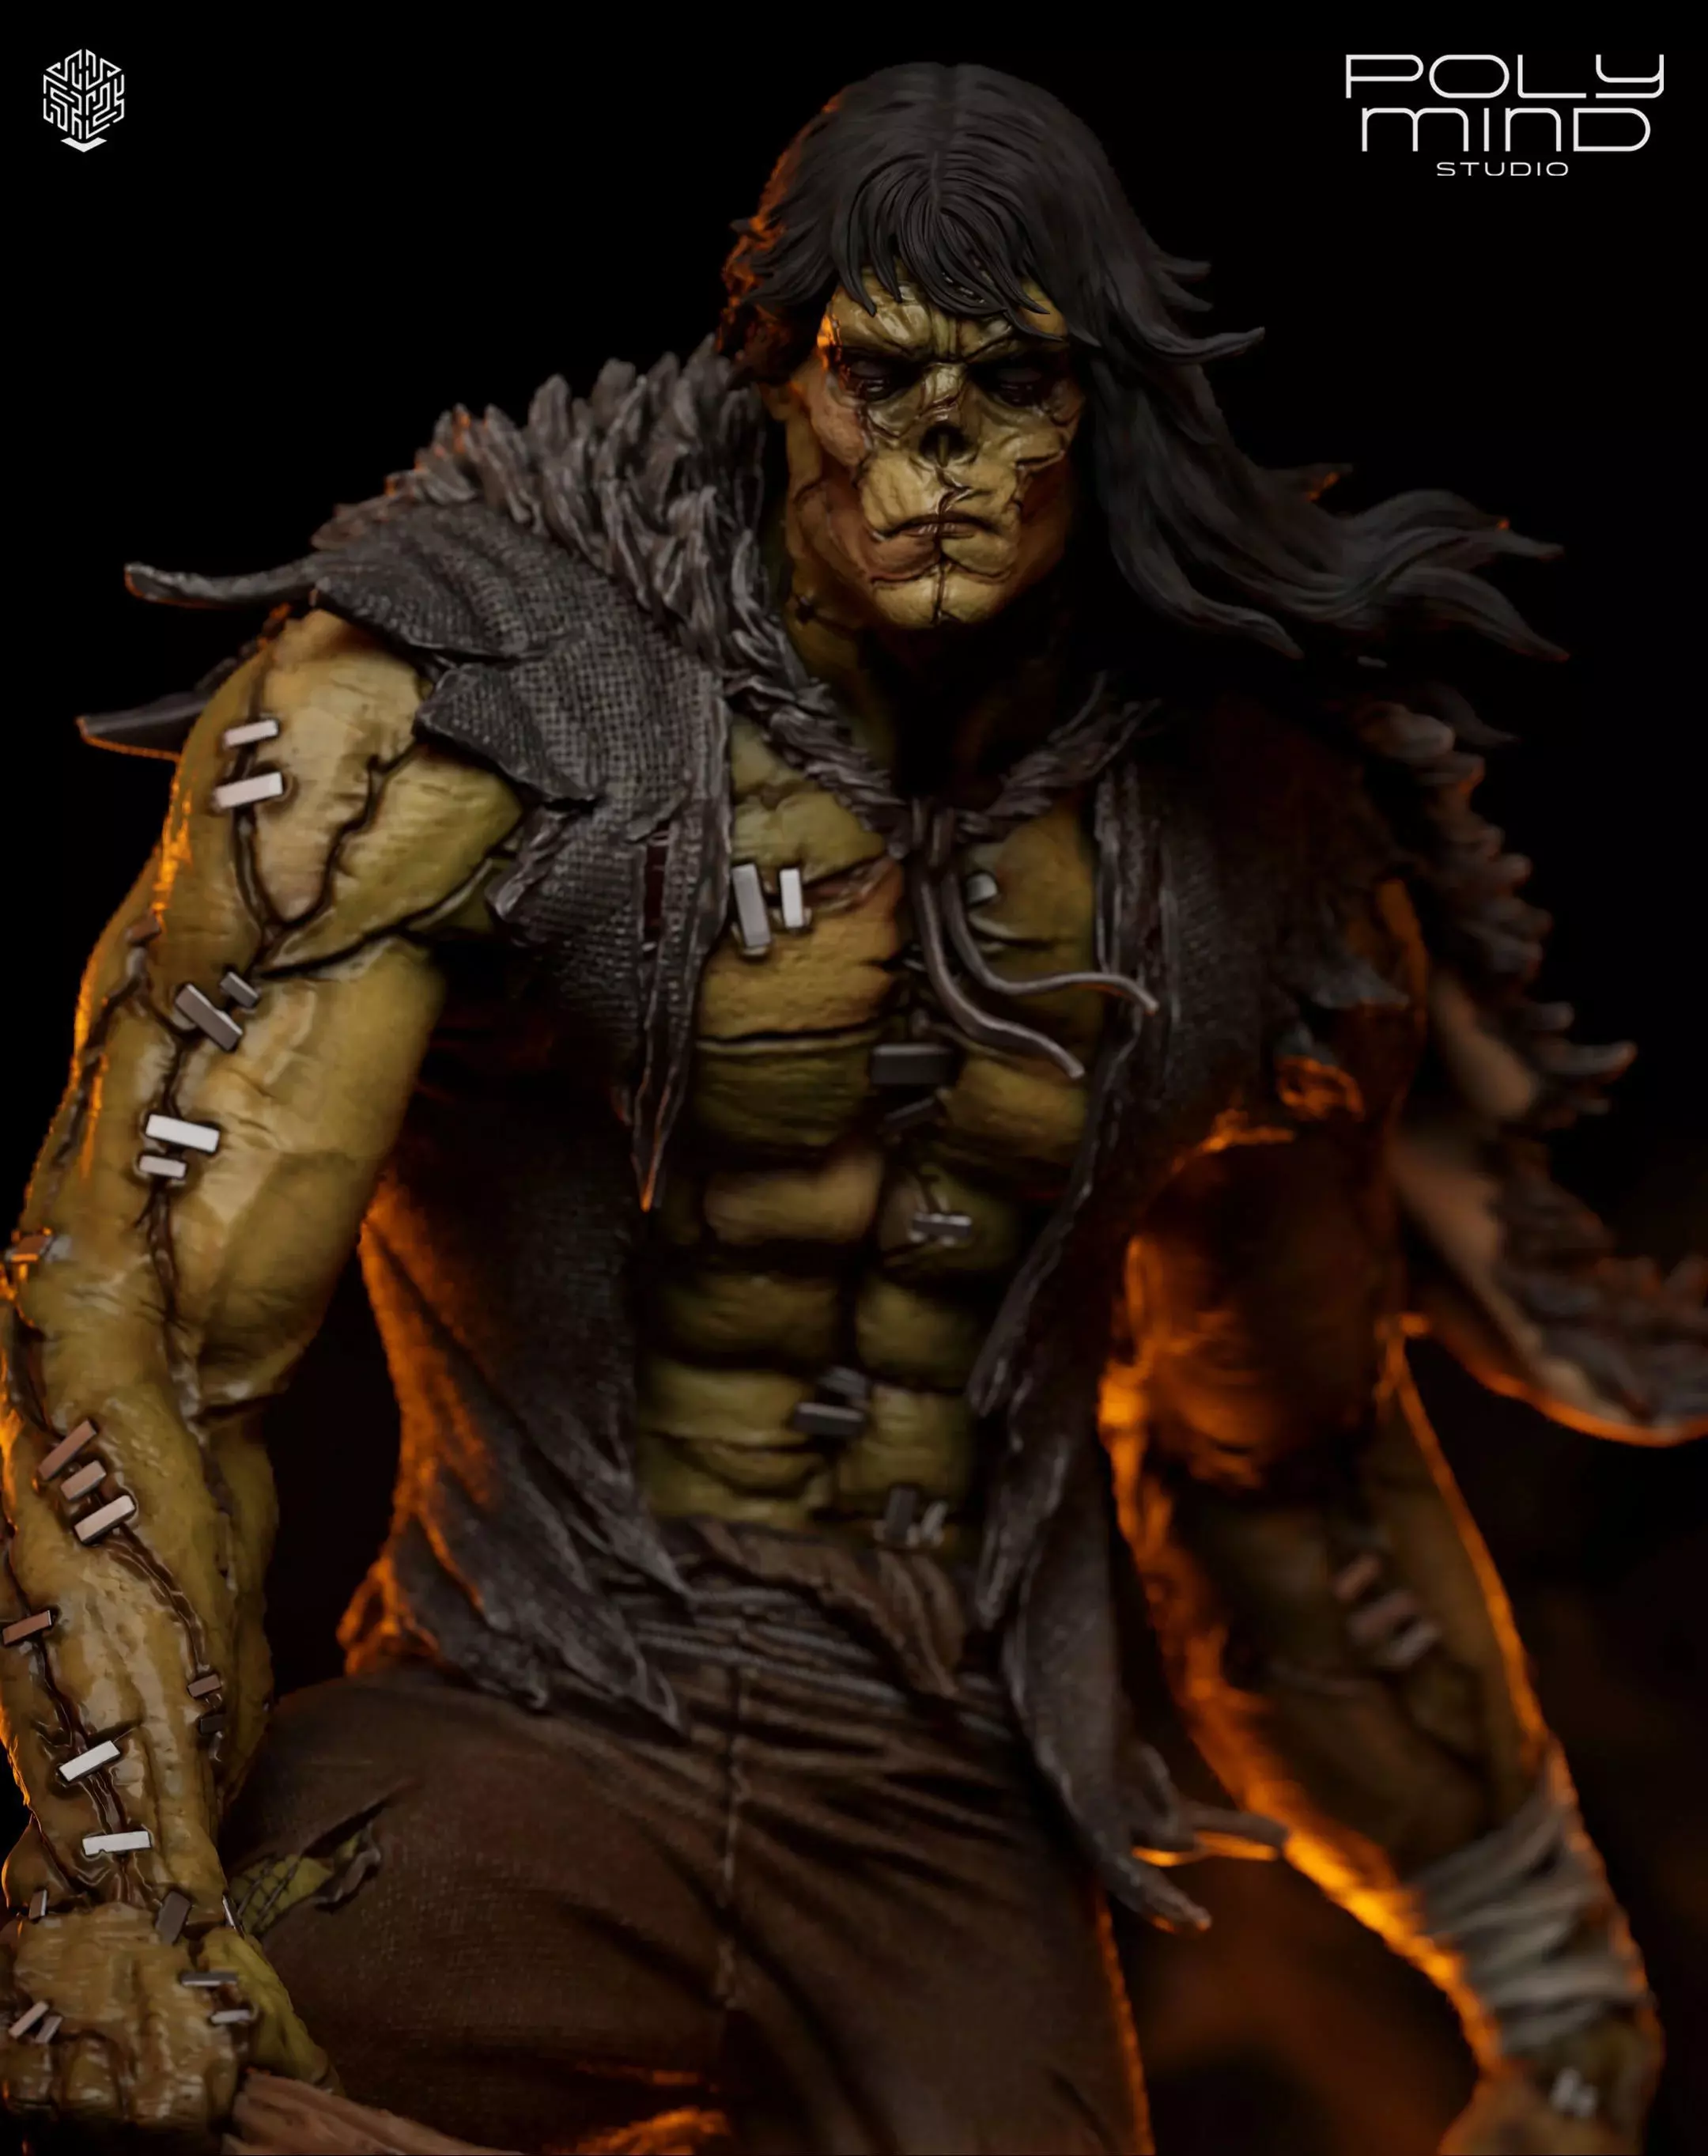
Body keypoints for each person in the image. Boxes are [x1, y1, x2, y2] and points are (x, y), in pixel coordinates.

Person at [3, 61, 1701, 2156]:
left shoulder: (1251, 858)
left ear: (1105, 408)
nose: (943, 458)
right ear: (774, 374)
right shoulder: (453, 712)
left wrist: (1553, 1994)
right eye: (880, 381)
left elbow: (1284, 1487)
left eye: (1012, 389)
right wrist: (116, 1889)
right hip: (521, 1719)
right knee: (116, 2086)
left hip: (947, 1824)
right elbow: (138, 1321)